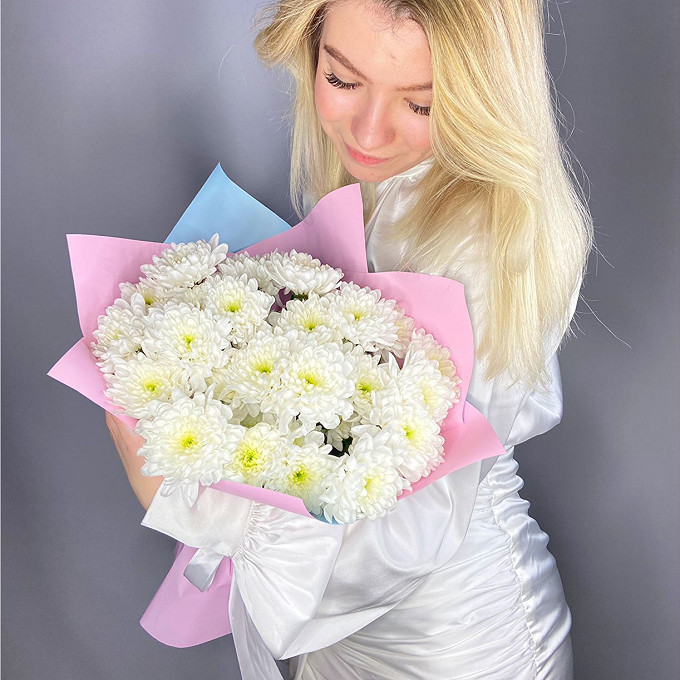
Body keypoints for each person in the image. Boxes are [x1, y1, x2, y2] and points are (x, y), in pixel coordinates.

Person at [106, 1, 592, 678]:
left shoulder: (486, 246)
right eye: (342, 79)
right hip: (351, 637)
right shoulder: (379, 184)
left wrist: (190, 502)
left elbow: (404, 538)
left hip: (455, 645)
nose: (368, 131)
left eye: (421, 105)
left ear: (483, 98)